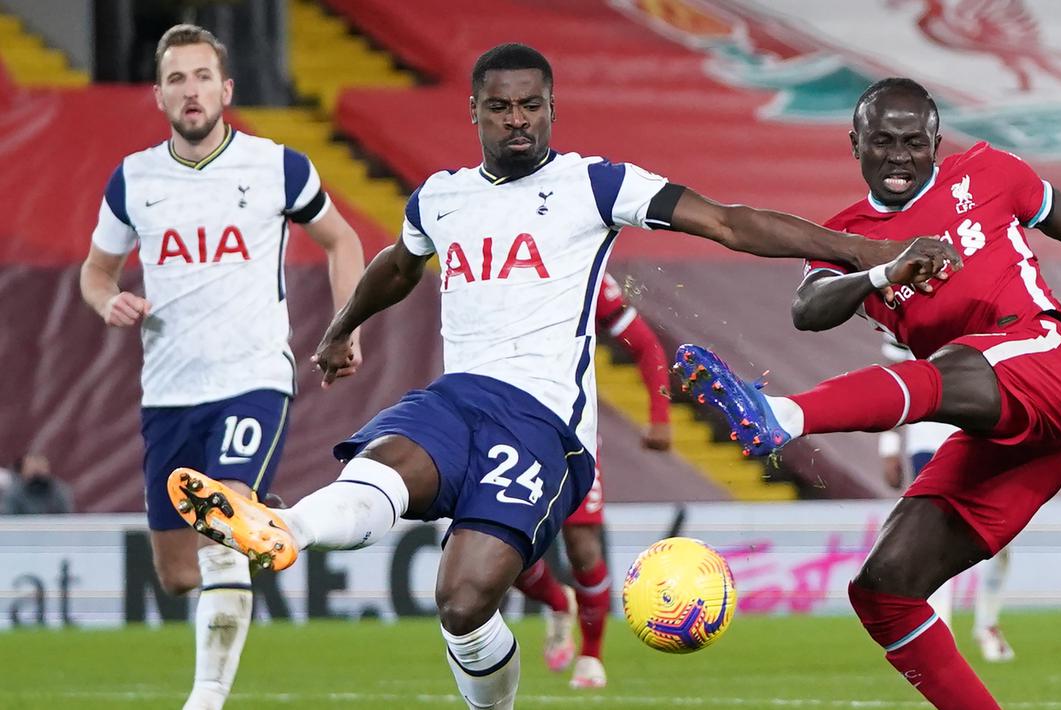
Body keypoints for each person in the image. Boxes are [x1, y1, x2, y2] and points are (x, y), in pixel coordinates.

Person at [165, 45, 955, 710]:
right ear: (473, 111)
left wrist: (866, 255)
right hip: (455, 398)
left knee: (463, 603)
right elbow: (396, 264)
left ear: (550, 108)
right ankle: (279, 528)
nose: (519, 121)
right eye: (502, 108)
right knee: (389, 466)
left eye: (532, 106)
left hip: (543, 426)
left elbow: (726, 219)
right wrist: (342, 329)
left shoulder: (593, 184)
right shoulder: (440, 197)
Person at [674, 78, 1061, 708]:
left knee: (951, 364)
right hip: (1003, 433)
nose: (898, 156)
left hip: (1053, 363)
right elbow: (808, 309)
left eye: (912, 142)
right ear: (855, 145)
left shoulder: (989, 171)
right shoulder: (848, 236)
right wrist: (881, 268)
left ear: (935, 142)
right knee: (885, 591)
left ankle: (784, 415)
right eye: (881, 141)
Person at [78, 24, 365, 710]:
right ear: (158, 95)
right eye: (176, 79)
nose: (191, 90)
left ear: (226, 89)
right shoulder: (135, 179)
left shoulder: (278, 166)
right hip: (170, 391)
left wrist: (344, 325)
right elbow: (96, 271)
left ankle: (206, 697)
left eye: (202, 76)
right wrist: (107, 300)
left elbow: (342, 238)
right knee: (178, 574)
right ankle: (283, 524)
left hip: (254, 376)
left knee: (224, 526)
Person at [514, 272, 672, 689]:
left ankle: (591, 655)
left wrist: (659, 415)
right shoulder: (490, 267)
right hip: (507, 431)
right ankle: (556, 600)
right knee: (505, 549)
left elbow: (644, 344)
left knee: (583, 548)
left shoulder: (583, 269)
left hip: (572, 435)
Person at [879, 340, 1014, 663]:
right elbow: (895, 381)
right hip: (928, 440)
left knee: (1002, 541)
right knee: (936, 541)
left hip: (981, 437)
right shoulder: (906, 303)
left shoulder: (985, 304)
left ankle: (987, 625)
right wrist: (888, 445)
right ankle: (942, 638)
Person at [0, 453, 74, 515]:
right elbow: (9, 517)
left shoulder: (59, 491)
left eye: (40, 468)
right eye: (32, 469)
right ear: (23, 471)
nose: (37, 473)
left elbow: (65, 516)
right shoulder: (13, 492)